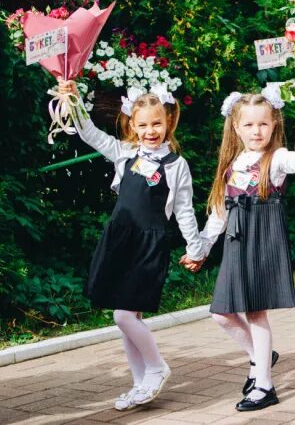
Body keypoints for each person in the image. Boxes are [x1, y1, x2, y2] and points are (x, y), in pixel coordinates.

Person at [59, 79, 205, 410]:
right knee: (125, 319)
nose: (150, 130)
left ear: (168, 121)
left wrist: (195, 249)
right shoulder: (124, 153)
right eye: (143, 125)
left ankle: (157, 367)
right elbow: (90, 134)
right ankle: (140, 384)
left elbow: (184, 211)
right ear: (132, 125)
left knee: (124, 316)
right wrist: (74, 102)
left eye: (157, 123)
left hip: (148, 245)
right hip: (120, 241)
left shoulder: (176, 166)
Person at [195, 87, 295, 411]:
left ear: (274, 124)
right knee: (221, 313)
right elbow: (221, 211)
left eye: (262, 124)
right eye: (248, 125)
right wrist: (203, 247)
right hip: (237, 241)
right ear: (236, 127)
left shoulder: (275, 159)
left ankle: (264, 385)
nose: (256, 131)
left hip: (263, 240)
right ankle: (260, 357)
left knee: (256, 312)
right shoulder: (232, 163)